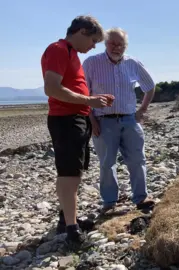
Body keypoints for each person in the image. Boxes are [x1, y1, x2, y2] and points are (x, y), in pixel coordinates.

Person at [41, 15, 113, 248]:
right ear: (81, 31)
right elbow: (51, 88)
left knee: (74, 171)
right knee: (69, 173)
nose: (93, 47)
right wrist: (89, 100)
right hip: (66, 119)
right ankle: (72, 231)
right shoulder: (59, 49)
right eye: (93, 41)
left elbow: (68, 87)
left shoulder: (70, 53)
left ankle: (66, 219)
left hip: (76, 118)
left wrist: (91, 102)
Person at [82, 27, 156, 213]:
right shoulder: (91, 63)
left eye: (120, 44)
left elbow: (150, 86)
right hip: (102, 121)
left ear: (125, 46)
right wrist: (91, 119)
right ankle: (109, 203)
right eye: (112, 43)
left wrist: (142, 110)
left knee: (137, 159)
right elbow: (83, 94)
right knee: (107, 163)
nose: (116, 47)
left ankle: (141, 197)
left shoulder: (133, 63)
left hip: (130, 120)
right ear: (105, 44)